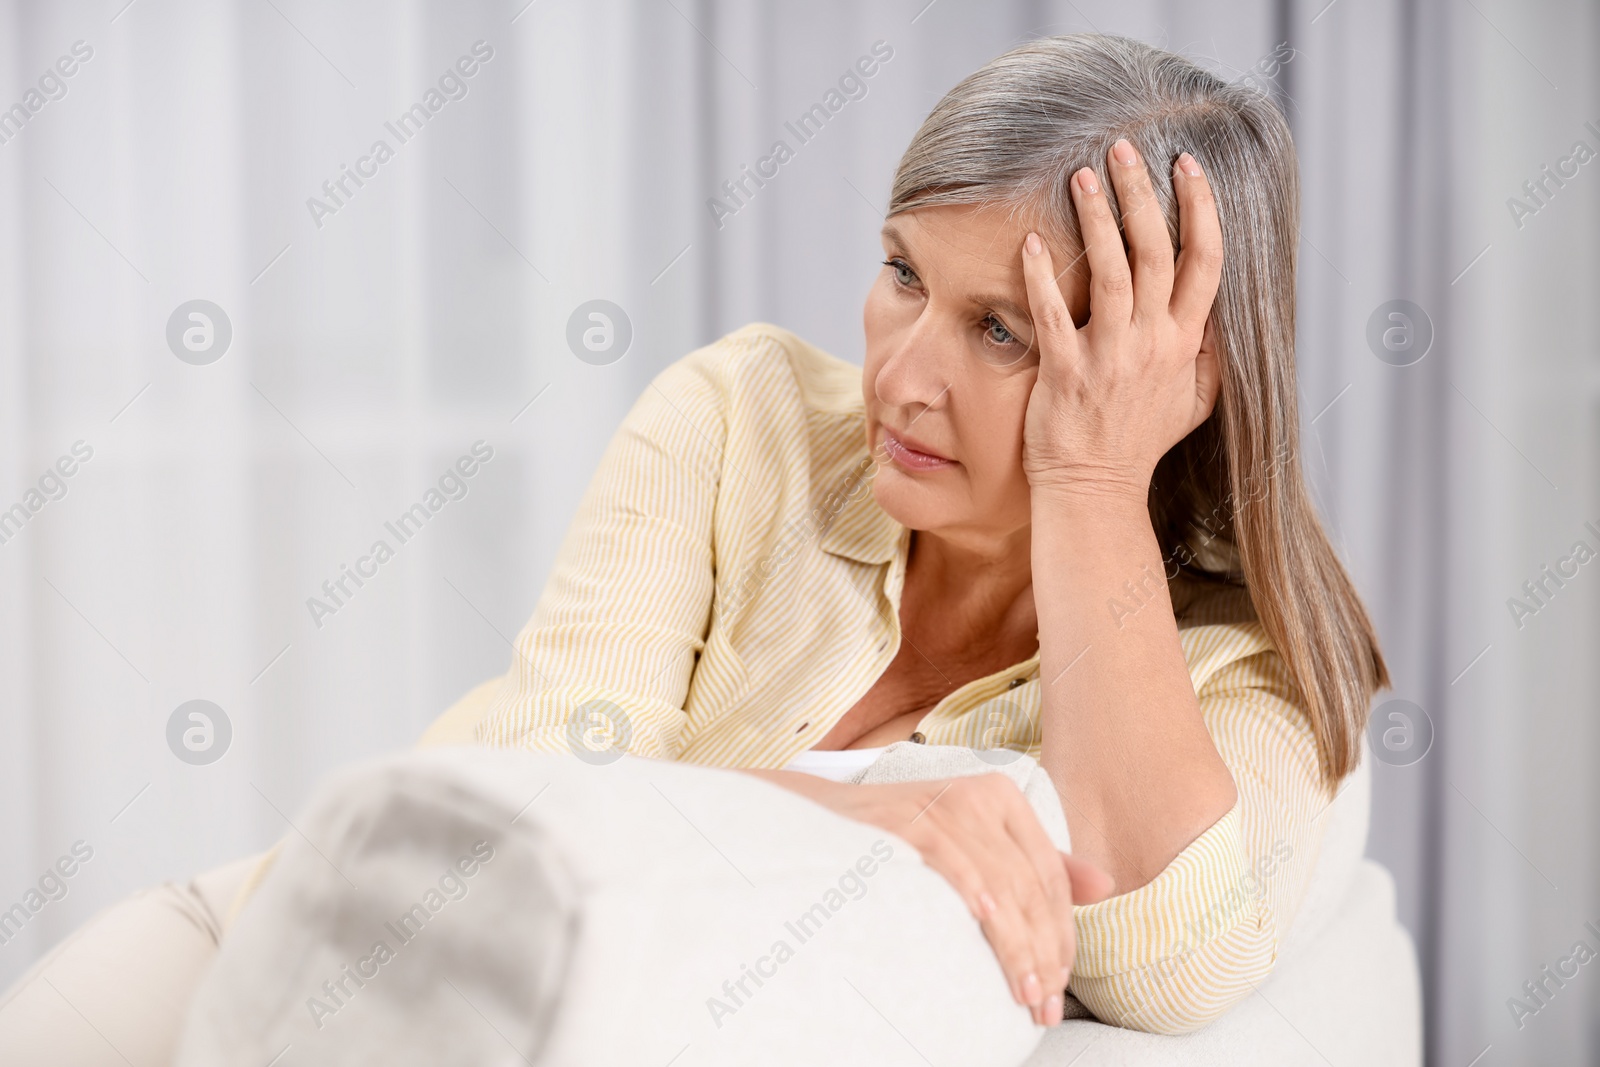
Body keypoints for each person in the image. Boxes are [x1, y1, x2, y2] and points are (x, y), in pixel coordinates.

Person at [0, 31, 1386, 1061]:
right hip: (265, 941)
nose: (903, 376)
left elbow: (1175, 963)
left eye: (1003, 331)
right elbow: (531, 780)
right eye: (904, 273)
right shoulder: (748, 417)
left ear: (1171, 373)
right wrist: (850, 802)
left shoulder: (1242, 668)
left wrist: (1089, 476)